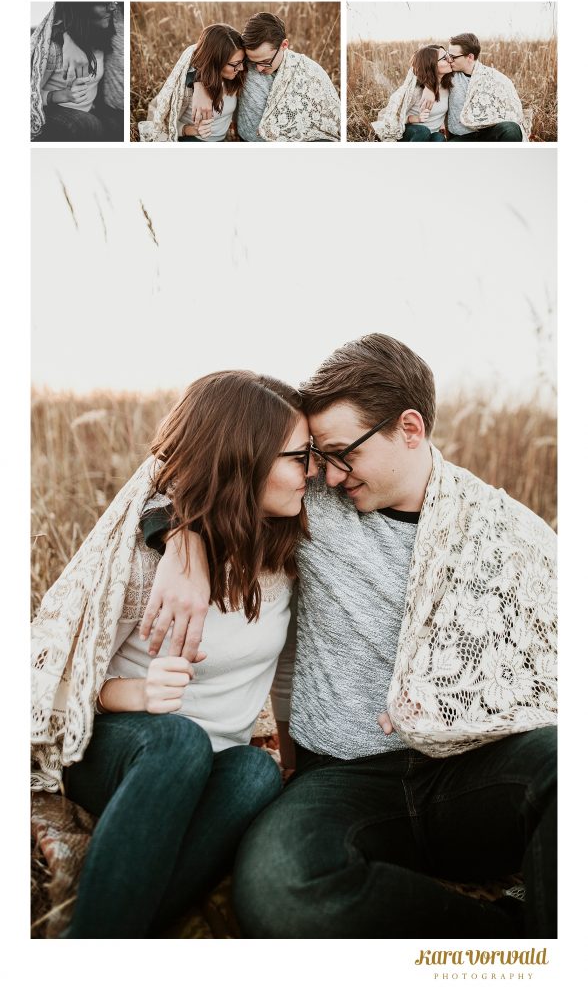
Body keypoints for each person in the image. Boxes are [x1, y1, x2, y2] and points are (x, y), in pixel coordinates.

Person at [145, 335, 557, 939]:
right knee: (279, 887)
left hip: (474, 777)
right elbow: (187, 465)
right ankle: (510, 948)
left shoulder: (508, 533)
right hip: (345, 780)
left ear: (409, 429)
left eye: (342, 454)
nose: (329, 475)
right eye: (318, 455)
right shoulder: (308, 500)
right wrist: (177, 537)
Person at [31, 371, 318, 938]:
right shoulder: (149, 558)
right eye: (298, 457)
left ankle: (98, 940)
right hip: (128, 750)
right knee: (178, 740)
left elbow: (286, 668)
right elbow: (58, 675)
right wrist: (135, 694)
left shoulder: (286, 552)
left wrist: (288, 756)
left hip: (216, 764)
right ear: (245, 460)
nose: (314, 471)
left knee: (255, 775)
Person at [189, 11, 341, 142]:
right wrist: (199, 82)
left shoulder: (310, 73)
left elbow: (330, 128)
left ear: (284, 45)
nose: (260, 68)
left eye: (266, 62)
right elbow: (204, 53)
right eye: (253, 62)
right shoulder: (242, 60)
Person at [31, 2, 123, 141]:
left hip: (89, 110)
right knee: (89, 124)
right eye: (103, 4)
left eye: (112, 2)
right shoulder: (53, 49)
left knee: (117, 126)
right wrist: (57, 96)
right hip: (54, 112)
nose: (112, 8)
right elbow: (30, 95)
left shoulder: (100, 39)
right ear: (81, 9)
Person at [138, 24, 246, 142]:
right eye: (235, 64)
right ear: (216, 61)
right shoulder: (186, 86)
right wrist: (190, 129)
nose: (240, 68)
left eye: (242, 62)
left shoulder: (233, 77)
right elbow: (159, 118)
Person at [425, 33, 527, 141]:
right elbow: (422, 66)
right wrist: (429, 87)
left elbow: (512, 113)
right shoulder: (449, 73)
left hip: (489, 133)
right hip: (462, 136)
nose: (449, 60)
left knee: (511, 129)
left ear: (470, 57)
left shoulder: (495, 78)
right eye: (448, 55)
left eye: (453, 57)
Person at [372, 44, 452, 142]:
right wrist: (416, 118)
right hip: (412, 133)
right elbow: (393, 117)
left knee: (439, 138)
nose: (450, 59)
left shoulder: (449, 85)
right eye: (444, 58)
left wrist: (442, 125)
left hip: (432, 134)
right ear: (431, 65)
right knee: (423, 131)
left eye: (447, 54)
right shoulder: (415, 90)